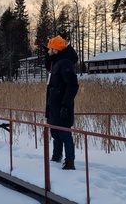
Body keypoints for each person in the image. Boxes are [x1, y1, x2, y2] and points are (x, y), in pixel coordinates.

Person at [45, 35, 79, 170]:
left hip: (61, 107)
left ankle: (70, 162)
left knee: (65, 134)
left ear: (56, 49)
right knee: (55, 134)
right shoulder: (57, 63)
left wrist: (65, 105)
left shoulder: (65, 63)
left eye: (50, 49)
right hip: (54, 106)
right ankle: (56, 158)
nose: (48, 51)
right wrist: (48, 56)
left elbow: (72, 85)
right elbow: (48, 68)